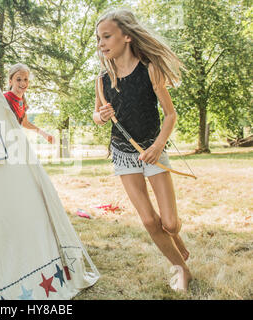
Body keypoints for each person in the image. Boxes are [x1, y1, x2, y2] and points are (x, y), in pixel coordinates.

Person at [93, 9, 192, 291]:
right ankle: (181, 270)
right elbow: (96, 115)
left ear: (126, 36)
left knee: (170, 223)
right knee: (150, 220)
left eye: (106, 36)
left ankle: (175, 236)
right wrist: (100, 116)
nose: (101, 43)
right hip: (124, 155)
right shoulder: (102, 79)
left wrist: (158, 146)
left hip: (153, 149)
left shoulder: (150, 69)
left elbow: (170, 115)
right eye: (99, 38)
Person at [3, 63, 55, 144]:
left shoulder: (22, 101)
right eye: (18, 79)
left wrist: (44, 134)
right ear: (10, 81)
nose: (23, 83)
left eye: (25, 79)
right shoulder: (5, 98)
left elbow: (25, 123)